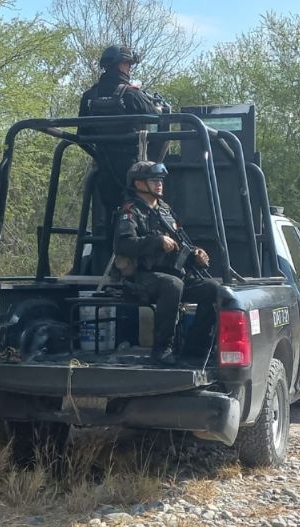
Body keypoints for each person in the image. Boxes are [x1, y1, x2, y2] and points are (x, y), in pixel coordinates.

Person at [114, 160, 218, 366]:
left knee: (212, 289)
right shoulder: (131, 211)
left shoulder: (165, 210)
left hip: (172, 272)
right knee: (172, 285)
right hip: (143, 276)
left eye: (160, 180)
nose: (159, 184)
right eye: (154, 180)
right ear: (138, 184)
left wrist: (196, 254)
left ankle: (195, 349)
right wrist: (156, 242)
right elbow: (123, 244)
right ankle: (162, 349)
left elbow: (181, 241)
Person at [79, 45, 168, 273]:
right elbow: (158, 117)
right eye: (129, 64)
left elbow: (82, 135)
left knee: (109, 218)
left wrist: (100, 153)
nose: (129, 69)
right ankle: (140, 269)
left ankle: (109, 265)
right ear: (121, 64)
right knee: (142, 216)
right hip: (134, 173)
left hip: (104, 172)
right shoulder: (132, 94)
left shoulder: (89, 97)